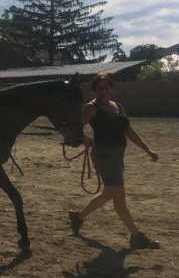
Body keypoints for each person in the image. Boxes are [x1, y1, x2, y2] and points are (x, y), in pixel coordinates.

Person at [68, 72, 160, 249]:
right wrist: (86, 139)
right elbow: (74, 129)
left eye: (106, 86)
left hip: (118, 154)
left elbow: (129, 131)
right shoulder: (91, 108)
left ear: (111, 88)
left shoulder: (118, 106)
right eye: (99, 87)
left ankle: (78, 217)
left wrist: (147, 149)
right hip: (104, 154)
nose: (103, 90)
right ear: (95, 89)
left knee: (109, 193)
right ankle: (136, 236)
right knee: (119, 196)